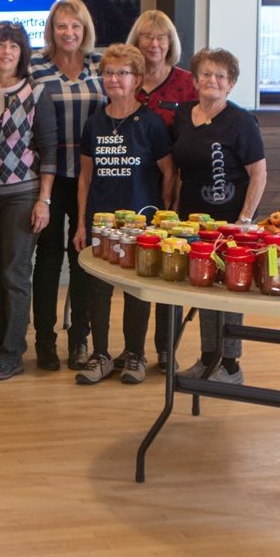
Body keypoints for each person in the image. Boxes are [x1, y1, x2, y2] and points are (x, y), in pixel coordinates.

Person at [71, 44, 175, 385]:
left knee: (135, 289)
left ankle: (135, 355)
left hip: (140, 224)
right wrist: (81, 223)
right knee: (98, 289)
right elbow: (85, 177)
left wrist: (163, 218)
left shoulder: (151, 124)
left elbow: (169, 173)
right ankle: (100, 354)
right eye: (109, 73)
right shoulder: (94, 123)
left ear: (137, 79)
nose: (114, 79)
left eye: (122, 73)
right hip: (102, 223)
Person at [171, 48, 267, 384]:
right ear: (196, 80)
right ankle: (207, 359)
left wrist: (244, 220)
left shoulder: (241, 121)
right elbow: (179, 170)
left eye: (221, 76)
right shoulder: (184, 115)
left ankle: (230, 365)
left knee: (229, 291)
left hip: (231, 222)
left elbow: (259, 173)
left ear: (231, 84)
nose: (212, 80)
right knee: (204, 290)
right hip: (193, 222)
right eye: (206, 74)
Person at [0, 22, 56, 382]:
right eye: (0, 45)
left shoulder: (36, 92)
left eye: (14, 46)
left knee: (15, 274)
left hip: (24, 194)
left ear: (22, 53)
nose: (7, 52)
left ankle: (13, 354)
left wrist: (44, 201)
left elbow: (49, 151)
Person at [29, 0, 105, 370]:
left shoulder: (100, 65)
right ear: (51, 30)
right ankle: (45, 341)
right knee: (47, 260)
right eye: (61, 25)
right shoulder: (35, 67)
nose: (68, 32)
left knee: (82, 260)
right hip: (48, 178)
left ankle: (80, 340)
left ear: (84, 29)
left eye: (75, 25)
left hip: (90, 178)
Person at [127, 9, 198, 373]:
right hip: (134, 189)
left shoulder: (187, 84)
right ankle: (133, 351)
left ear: (171, 43)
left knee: (171, 267)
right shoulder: (127, 79)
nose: (154, 44)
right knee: (139, 271)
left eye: (162, 37)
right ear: (136, 41)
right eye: (147, 37)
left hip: (177, 190)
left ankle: (166, 349)